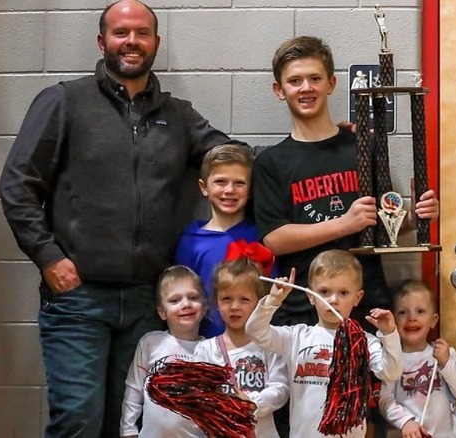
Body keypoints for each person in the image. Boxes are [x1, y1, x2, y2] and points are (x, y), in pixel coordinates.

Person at [0, 1, 249, 435]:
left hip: (147, 304)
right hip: (78, 300)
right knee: (78, 420)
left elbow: (236, 161)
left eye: (142, 33)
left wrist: (318, 145)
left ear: (155, 44)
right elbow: (17, 184)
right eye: (120, 33)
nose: (131, 41)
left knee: (131, 422)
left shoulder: (178, 115)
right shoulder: (64, 101)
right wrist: (48, 256)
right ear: (102, 42)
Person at [252, 35, 439, 331]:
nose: (306, 88)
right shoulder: (271, 162)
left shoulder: (364, 147)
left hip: (366, 307)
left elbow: (380, 223)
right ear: (279, 90)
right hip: (304, 308)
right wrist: (344, 223)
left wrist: (413, 218)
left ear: (331, 84)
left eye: (315, 78)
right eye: (295, 80)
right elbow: (275, 238)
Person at [245, 249, 403, 437]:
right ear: (311, 296)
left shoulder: (364, 341)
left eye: (343, 293)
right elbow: (255, 331)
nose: (333, 300)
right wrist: (273, 300)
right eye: (324, 292)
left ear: (357, 298)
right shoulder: (297, 337)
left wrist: (389, 334)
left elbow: (391, 372)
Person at [175, 144, 268, 337]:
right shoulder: (191, 241)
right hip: (205, 347)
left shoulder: (263, 236)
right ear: (204, 187)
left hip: (256, 347)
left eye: (239, 183)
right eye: (220, 182)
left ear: (250, 190)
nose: (229, 190)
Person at [192, 255, 288, 438]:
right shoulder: (206, 349)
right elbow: (198, 394)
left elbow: (281, 388)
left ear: (259, 302)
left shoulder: (270, 345)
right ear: (217, 303)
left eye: (244, 299)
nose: (234, 306)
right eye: (226, 299)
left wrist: (252, 403)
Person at [120, 266, 207, 437]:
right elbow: (134, 388)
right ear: (161, 312)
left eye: (193, 297)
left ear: (204, 307)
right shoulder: (151, 342)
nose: (186, 304)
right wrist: (128, 429)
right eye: (175, 300)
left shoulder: (213, 349)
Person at [378, 280, 456, 438]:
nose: (412, 318)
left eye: (420, 311)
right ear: (393, 320)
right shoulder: (390, 359)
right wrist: (405, 421)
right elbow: (384, 400)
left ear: (433, 320)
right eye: (403, 312)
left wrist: (446, 362)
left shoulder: (445, 354)